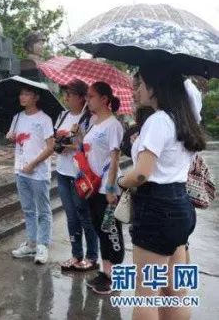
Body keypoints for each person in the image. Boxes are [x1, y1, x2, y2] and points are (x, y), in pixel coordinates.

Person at [118, 65, 204, 320]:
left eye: (141, 84)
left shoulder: (158, 120)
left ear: (155, 87)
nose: (138, 90)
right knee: (176, 289)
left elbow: (142, 173)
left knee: (145, 293)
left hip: (156, 208)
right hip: (180, 207)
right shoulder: (184, 118)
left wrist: (121, 182)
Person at [83, 82, 125, 295]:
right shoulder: (93, 121)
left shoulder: (113, 125)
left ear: (104, 99)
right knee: (100, 229)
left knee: (111, 231)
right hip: (92, 186)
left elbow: (114, 159)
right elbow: (89, 150)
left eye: (91, 96)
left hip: (107, 189)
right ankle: (104, 271)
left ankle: (114, 277)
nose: (87, 99)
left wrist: (109, 189)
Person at [54, 80, 99, 272]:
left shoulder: (90, 119)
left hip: (80, 175)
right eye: (65, 94)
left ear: (82, 98)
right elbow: (55, 137)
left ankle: (92, 256)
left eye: (70, 95)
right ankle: (76, 254)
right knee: (71, 216)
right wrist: (59, 144)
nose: (67, 98)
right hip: (63, 172)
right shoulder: (63, 115)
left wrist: (74, 142)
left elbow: (89, 147)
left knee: (84, 215)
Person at [6, 86, 55, 264]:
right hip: (20, 170)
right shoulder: (17, 117)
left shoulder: (44, 119)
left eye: (26, 93)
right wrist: (11, 137)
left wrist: (33, 164)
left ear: (36, 97)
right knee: (28, 209)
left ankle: (43, 245)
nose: (22, 96)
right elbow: (17, 140)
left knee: (43, 210)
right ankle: (31, 243)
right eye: (21, 93)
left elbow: (51, 147)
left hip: (38, 172)